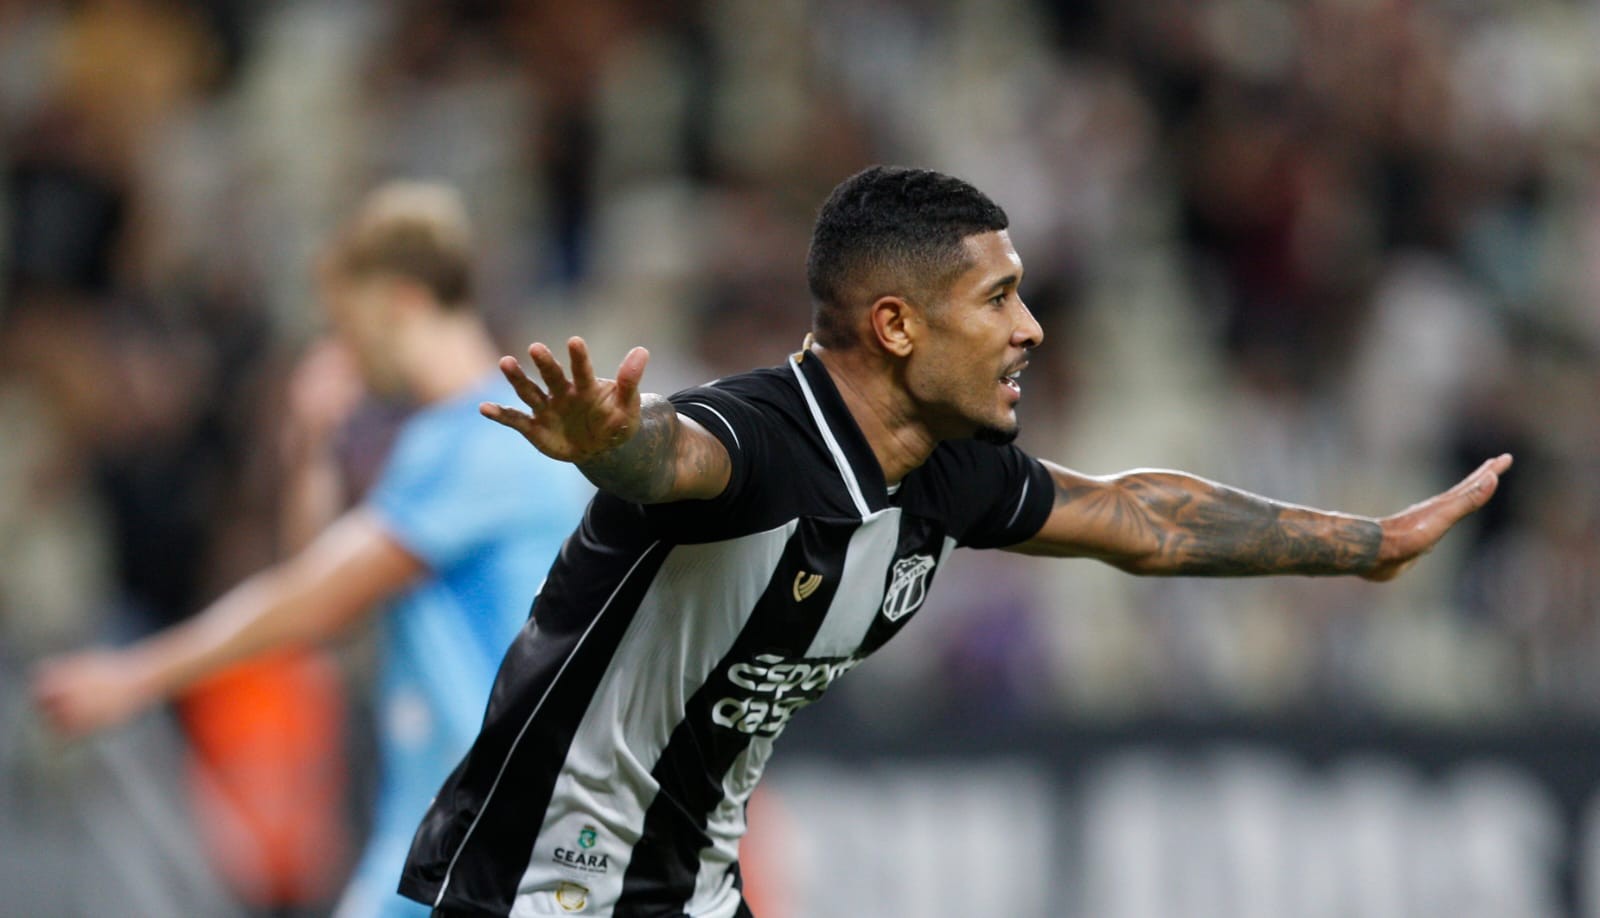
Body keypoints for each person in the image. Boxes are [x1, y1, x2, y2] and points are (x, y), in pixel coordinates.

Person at [398, 165, 1512, 918]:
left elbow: (1139, 520)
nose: (1028, 328)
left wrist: (1362, 544)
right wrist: (606, 442)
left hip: (691, 891)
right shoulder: (764, 440)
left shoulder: (949, 470)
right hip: (541, 886)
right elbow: (669, 455)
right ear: (896, 326)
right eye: (998, 298)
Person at [31, 182, 593, 918]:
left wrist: (136, 675)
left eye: (345, 324)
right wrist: (314, 449)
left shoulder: (483, 436)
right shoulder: (448, 440)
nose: (342, 352)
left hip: (488, 843)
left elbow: (312, 600)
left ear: (399, 302)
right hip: (449, 836)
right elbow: (325, 596)